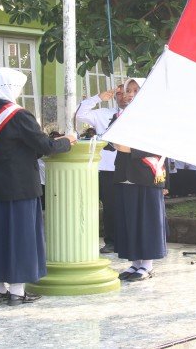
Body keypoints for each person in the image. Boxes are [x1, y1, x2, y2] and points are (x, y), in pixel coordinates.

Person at [0, 67, 75, 306]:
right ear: (8, 88)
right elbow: (44, 146)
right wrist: (67, 142)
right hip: (17, 187)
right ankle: (18, 292)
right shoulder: (19, 115)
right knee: (20, 237)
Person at [113, 78, 168, 282]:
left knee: (147, 221)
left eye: (136, 90)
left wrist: (131, 149)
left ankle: (147, 265)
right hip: (124, 174)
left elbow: (159, 144)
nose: (130, 93)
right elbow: (113, 141)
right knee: (130, 220)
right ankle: (135, 263)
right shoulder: (121, 114)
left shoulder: (154, 115)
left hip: (145, 174)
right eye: (128, 90)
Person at [76, 84, 127, 254]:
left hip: (132, 167)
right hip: (108, 168)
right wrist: (98, 98)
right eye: (118, 94)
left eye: (126, 92)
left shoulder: (139, 114)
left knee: (131, 205)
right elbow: (79, 114)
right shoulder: (104, 114)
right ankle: (111, 241)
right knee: (110, 207)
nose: (122, 96)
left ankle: (131, 239)